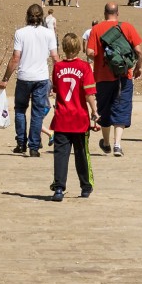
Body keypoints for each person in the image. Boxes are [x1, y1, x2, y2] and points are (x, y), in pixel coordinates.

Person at [86, 3, 142, 156]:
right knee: (121, 107)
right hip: (124, 75)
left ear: (105, 13)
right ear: (117, 13)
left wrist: (102, 57)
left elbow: (90, 52)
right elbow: (139, 51)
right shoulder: (127, 27)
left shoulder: (96, 29)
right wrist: (138, 67)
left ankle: (106, 143)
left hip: (103, 77)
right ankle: (117, 145)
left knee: (104, 109)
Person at [2, 3, 58, 157]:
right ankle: (33, 147)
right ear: (42, 18)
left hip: (24, 77)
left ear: (27, 16)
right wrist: (58, 79)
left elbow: (15, 58)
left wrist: (5, 78)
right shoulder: (48, 33)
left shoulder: (20, 33)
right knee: (37, 112)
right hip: (41, 77)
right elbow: (55, 58)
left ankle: (21, 143)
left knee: (20, 109)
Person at [48, 27, 96, 200]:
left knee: (61, 154)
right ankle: (85, 186)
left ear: (63, 48)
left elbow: (56, 89)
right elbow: (89, 93)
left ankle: (59, 187)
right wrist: (95, 112)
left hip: (62, 117)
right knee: (82, 153)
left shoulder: (58, 67)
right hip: (79, 117)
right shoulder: (84, 67)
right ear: (78, 48)